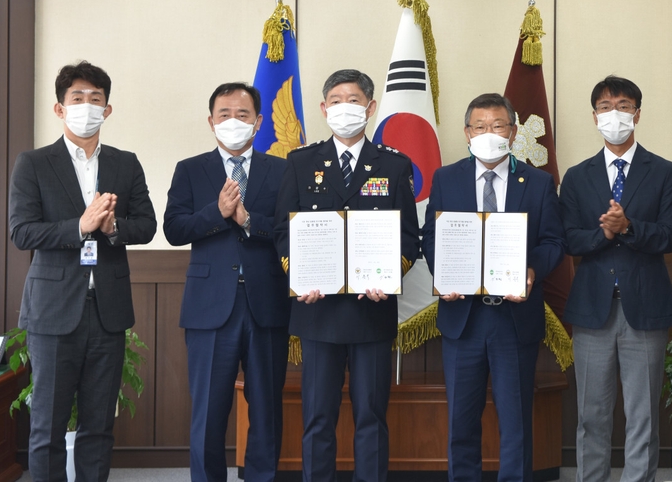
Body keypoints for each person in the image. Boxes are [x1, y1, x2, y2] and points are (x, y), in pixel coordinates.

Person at [8, 61, 157, 482]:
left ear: (107, 110)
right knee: (47, 427)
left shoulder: (125, 163)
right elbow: (21, 231)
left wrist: (113, 228)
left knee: (98, 426)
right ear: (60, 108)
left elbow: (147, 225)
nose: (87, 106)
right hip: (53, 313)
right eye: (77, 98)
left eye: (96, 99)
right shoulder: (33, 163)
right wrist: (80, 226)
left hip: (107, 312)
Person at [273, 69, 419, 482]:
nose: (344, 109)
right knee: (318, 418)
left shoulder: (393, 165)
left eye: (353, 100)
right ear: (323, 109)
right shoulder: (301, 163)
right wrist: (299, 276)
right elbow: (284, 231)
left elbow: (410, 238)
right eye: (335, 101)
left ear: (370, 108)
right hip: (318, 313)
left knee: (371, 417)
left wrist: (389, 277)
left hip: (371, 313)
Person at [422, 93, 565, 482]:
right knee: (461, 422)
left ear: (513, 131)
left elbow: (554, 241)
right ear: (467, 133)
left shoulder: (537, 182)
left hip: (514, 319)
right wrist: (445, 275)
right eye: (480, 127)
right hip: (462, 318)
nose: (489, 133)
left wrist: (532, 269)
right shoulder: (446, 178)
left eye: (498, 125)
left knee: (516, 421)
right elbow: (431, 238)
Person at [559, 76, 672, 482]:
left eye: (624, 105)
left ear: (638, 114)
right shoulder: (577, 176)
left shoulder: (664, 171)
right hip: (592, 310)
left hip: (645, 310)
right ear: (594, 117)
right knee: (591, 415)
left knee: (643, 417)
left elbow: (671, 235)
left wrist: (629, 227)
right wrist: (605, 233)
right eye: (606, 106)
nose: (615, 114)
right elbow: (568, 238)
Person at [164, 82, 289, 482]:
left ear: (258, 122)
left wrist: (248, 220)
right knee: (208, 412)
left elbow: (291, 231)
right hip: (208, 307)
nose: (233, 122)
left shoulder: (283, 170)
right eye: (224, 115)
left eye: (242, 114)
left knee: (267, 409)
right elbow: (174, 229)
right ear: (211, 122)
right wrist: (217, 213)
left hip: (266, 304)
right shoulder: (190, 169)